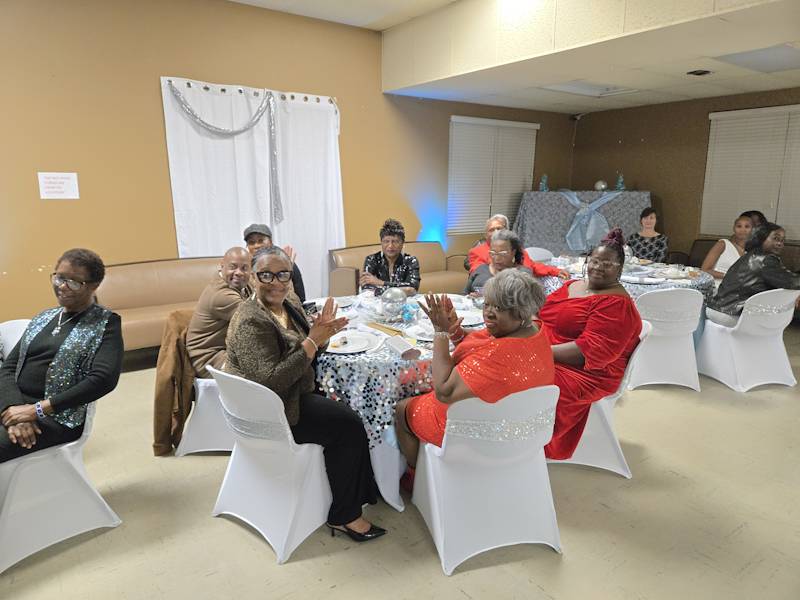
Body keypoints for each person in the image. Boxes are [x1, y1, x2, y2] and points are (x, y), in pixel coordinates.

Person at [225, 246, 385, 542]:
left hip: (293, 391)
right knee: (349, 425)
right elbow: (270, 381)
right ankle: (345, 515)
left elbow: (307, 348)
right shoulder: (251, 319)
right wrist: (313, 340)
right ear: (253, 277)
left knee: (350, 406)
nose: (276, 282)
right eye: (266, 275)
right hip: (273, 410)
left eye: (283, 274)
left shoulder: (289, 302)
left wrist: (322, 335)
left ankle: (360, 489)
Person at [394, 269, 555, 470]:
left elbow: (444, 391)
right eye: (487, 304)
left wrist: (441, 332)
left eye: (499, 307)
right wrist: (456, 332)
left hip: (480, 433)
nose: (488, 312)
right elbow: (485, 342)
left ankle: (422, 479)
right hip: (523, 427)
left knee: (402, 407)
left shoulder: (498, 356)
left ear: (520, 312)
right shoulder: (535, 329)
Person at [0, 249, 123, 462]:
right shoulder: (44, 317)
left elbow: (103, 379)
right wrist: (14, 411)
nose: (63, 286)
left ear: (94, 286)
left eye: (75, 282)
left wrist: (35, 411)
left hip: (57, 417)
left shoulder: (106, 323)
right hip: (15, 406)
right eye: (59, 277)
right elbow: (9, 367)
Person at [538, 229, 642, 460]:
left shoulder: (616, 305)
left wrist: (535, 352)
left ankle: (528, 441)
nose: (598, 267)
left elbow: (586, 353)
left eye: (607, 264)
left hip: (587, 372)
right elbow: (542, 314)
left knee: (524, 378)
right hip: (550, 353)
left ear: (620, 269)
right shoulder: (574, 285)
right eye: (594, 261)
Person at [706, 222, 800, 327]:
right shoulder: (766, 259)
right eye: (776, 238)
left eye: (782, 240)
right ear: (762, 238)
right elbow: (792, 281)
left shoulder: (751, 255)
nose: (780, 243)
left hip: (717, 308)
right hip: (731, 314)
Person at [185, 247, 252, 378]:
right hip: (210, 357)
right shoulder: (221, 295)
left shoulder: (241, 284)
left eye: (244, 268)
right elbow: (258, 319)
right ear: (222, 266)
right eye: (233, 267)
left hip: (228, 349)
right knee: (261, 373)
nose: (238, 272)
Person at [467, 214, 569, 279]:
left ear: (507, 231)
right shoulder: (477, 251)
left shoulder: (516, 249)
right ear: (486, 235)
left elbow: (532, 266)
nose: (496, 232)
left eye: (499, 228)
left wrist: (556, 271)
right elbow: (478, 274)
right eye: (491, 230)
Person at [243, 223, 306, 302]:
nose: (256, 246)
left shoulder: (286, 263)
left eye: (261, 241)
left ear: (271, 242)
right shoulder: (245, 270)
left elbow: (301, 297)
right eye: (251, 242)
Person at [360, 218, 420, 296]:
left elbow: (411, 289)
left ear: (402, 244)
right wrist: (401, 289)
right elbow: (367, 289)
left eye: (395, 241)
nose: (390, 246)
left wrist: (380, 283)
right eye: (386, 241)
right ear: (381, 242)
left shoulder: (411, 261)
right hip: (378, 305)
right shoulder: (371, 260)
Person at [464, 229, 532, 294]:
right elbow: (464, 294)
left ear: (513, 252)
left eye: (502, 254)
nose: (497, 258)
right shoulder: (481, 269)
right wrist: (470, 298)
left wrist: (485, 299)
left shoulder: (522, 274)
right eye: (493, 253)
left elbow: (525, 302)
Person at [701, 215, 754, 281]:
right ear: (734, 228)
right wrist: (728, 276)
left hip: (736, 288)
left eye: (747, 226)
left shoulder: (751, 252)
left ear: (752, 230)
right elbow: (704, 270)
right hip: (716, 285)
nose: (742, 230)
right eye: (739, 226)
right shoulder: (723, 244)